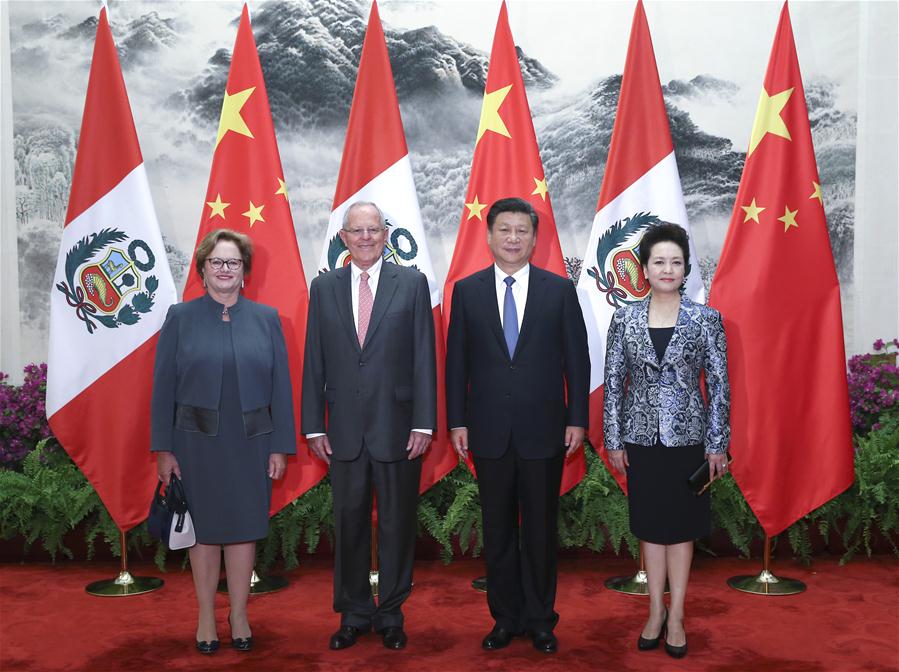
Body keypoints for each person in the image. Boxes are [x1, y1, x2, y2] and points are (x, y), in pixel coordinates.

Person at [446, 197, 589, 654]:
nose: (512, 239)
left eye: (521, 231)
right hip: (488, 431)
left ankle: (542, 620)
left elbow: (578, 361)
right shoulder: (466, 292)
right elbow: (456, 366)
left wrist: (577, 420)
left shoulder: (558, 290)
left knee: (541, 531)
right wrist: (457, 422)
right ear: (488, 236)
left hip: (544, 430)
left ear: (534, 237)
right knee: (499, 530)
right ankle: (505, 618)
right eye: (504, 230)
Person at [151, 228, 295, 654]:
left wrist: (280, 446)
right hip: (194, 444)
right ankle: (204, 617)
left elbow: (280, 389)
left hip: (253, 443)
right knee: (204, 533)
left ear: (244, 271)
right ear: (202, 270)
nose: (225, 269)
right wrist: (164, 449)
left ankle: (239, 614)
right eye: (216, 262)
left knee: (244, 530)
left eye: (233, 262)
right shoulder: (180, 318)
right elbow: (162, 389)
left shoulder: (267, 319)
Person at [301, 201, 437, 651]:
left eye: (373, 230)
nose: (365, 238)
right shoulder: (323, 289)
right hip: (342, 430)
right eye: (356, 231)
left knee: (397, 525)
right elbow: (314, 359)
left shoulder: (412, 284)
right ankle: (354, 612)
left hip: (398, 427)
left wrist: (424, 422)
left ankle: (392, 614)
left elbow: (423, 356)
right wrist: (312, 426)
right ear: (344, 237)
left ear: (385, 235)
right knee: (350, 523)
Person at [603, 223, 730, 659]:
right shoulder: (624, 317)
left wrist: (717, 445)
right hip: (639, 441)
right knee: (651, 528)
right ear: (645, 268)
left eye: (676, 262)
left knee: (682, 530)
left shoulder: (705, 318)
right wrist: (613, 439)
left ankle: (677, 615)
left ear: (685, 268)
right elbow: (613, 382)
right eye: (659, 261)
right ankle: (654, 611)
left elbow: (718, 385)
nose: (668, 268)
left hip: (689, 442)